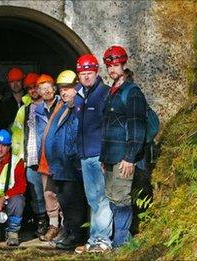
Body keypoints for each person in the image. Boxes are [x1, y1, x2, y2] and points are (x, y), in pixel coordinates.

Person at [99, 45, 147, 248]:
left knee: (121, 200)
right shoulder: (112, 91)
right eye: (109, 65)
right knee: (112, 197)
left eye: (116, 65)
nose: (112, 69)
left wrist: (129, 157)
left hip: (123, 158)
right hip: (110, 156)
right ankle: (119, 240)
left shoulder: (132, 92)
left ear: (123, 64)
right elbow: (107, 127)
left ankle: (121, 244)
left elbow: (137, 127)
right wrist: (103, 157)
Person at [37, 70, 87, 250]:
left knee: (73, 203)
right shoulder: (64, 106)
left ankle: (75, 234)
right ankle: (68, 231)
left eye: (68, 88)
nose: (64, 92)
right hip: (59, 165)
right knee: (65, 202)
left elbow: (75, 136)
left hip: (70, 165)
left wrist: (73, 160)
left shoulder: (78, 107)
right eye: (62, 89)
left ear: (77, 87)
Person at [72, 54, 113, 254]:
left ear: (96, 72)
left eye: (89, 73)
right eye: (82, 74)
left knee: (102, 198)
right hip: (85, 155)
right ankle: (94, 239)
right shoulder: (80, 96)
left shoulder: (104, 94)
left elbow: (108, 127)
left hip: (99, 155)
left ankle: (103, 240)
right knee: (92, 199)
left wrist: (106, 155)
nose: (86, 77)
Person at [10, 72, 49, 237]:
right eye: (29, 88)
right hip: (30, 158)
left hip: (47, 159)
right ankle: (41, 222)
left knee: (51, 193)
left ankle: (55, 224)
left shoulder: (50, 107)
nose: (33, 90)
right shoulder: (23, 110)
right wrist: (19, 157)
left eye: (35, 87)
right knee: (36, 194)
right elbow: (17, 135)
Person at [34, 74, 63, 242]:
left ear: (54, 89)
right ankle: (53, 225)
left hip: (62, 157)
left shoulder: (64, 106)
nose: (46, 91)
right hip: (45, 158)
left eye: (48, 88)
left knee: (65, 193)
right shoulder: (37, 110)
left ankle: (66, 226)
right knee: (49, 193)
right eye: (42, 89)